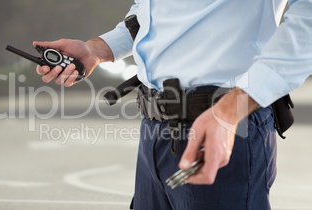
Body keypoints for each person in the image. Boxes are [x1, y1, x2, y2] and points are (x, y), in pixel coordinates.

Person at [34, 0, 312, 209]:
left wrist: (233, 108)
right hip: (154, 132)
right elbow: (149, 13)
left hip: (224, 127)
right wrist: (99, 48)